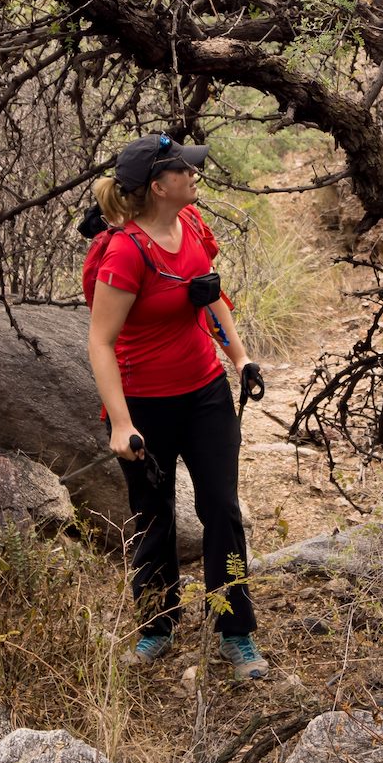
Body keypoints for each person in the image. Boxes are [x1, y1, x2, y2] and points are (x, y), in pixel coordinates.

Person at [83, 132, 268, 682]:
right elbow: (99, 341)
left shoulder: (188, 227)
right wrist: (121, 422)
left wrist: (240, 359)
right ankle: (156, 627)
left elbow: (209, 296)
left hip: (205, 393)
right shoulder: (124, 252)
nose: (194, 175)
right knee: (154, 518)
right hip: (145, 407)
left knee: (222, 513)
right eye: (184, 171)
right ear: (158, 186)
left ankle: (235, 631)